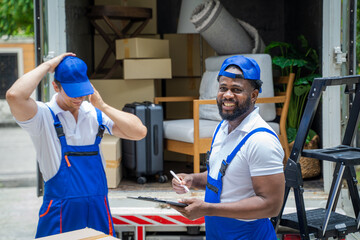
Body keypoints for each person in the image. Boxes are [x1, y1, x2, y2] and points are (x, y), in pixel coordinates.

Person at [6, 53, 147, 238]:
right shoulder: (42, 116)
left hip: (97, 206)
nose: (79, 98)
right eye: (73, 92)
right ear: (56, 86)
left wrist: (103, 105)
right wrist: (49, 65)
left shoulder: (94, 114)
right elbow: (14, 95)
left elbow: (139, 132)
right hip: (60, 210)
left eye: (82, 90)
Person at [171, 55, 285, 239]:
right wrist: (192, 179)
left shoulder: (261, 140)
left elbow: (271, 205)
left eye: (236, 89)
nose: (227, 95)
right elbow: (228, 177)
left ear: (254, 95)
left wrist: (208, 208)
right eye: (223, 88)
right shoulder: (223, 128)